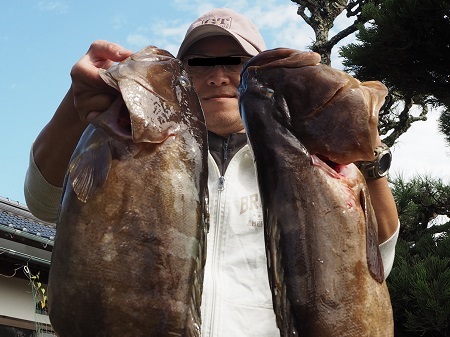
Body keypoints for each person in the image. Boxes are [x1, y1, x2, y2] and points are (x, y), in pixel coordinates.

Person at [24, 7, 400, 337]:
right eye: (199, 64)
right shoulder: (140, 153)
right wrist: (78, 107)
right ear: (183, 78)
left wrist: (365, 152)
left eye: (235, 61)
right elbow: (43, 201)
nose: (217, 76)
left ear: (256, 74)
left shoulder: (301, 165)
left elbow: (379, 253)